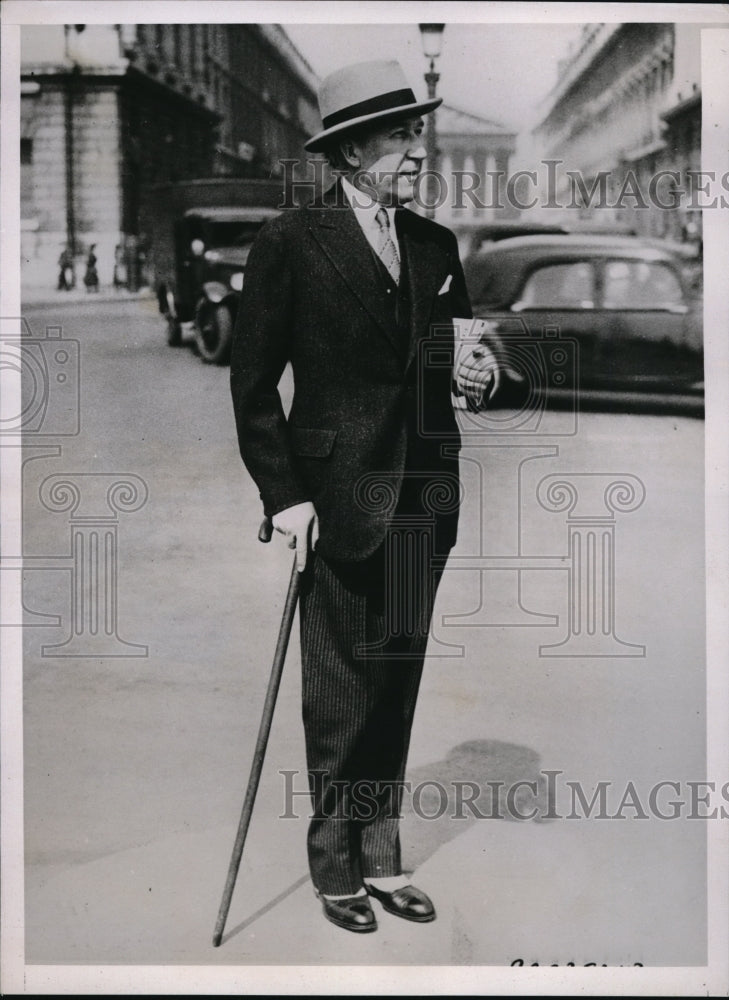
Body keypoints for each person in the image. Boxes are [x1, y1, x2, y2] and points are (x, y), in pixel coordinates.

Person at [230, 59, 491, 934]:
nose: (416, 150)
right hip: (336, 501)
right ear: (350, 152)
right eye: (397, 136)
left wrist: (482, 378)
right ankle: (335, 866)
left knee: (395, 681)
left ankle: (381, 855)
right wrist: (284, 496)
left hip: (424, 500)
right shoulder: (290, 242)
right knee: (341, 694)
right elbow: (253, 384)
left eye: (416, 132)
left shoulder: (435, 246)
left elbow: (463, 364)